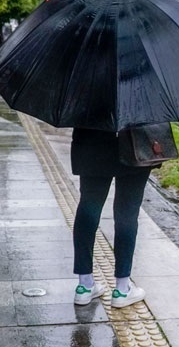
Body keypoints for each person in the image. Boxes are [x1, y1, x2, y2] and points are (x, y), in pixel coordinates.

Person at [70, 127, 153, 308]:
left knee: (88, 206)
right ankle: (122, 289)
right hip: (135, 140)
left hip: (92, 140)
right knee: (127, 212)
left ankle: (84, 286)